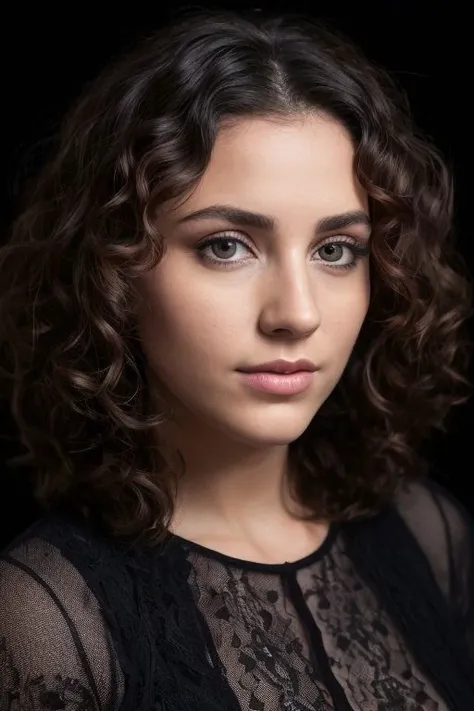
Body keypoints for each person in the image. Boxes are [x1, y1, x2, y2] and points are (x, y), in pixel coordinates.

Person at [0, 7, 473, 710]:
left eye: (335, 249)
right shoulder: (46, 612)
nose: (297, 312)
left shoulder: (427, 532)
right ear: (115, 268)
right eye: (227, 245)